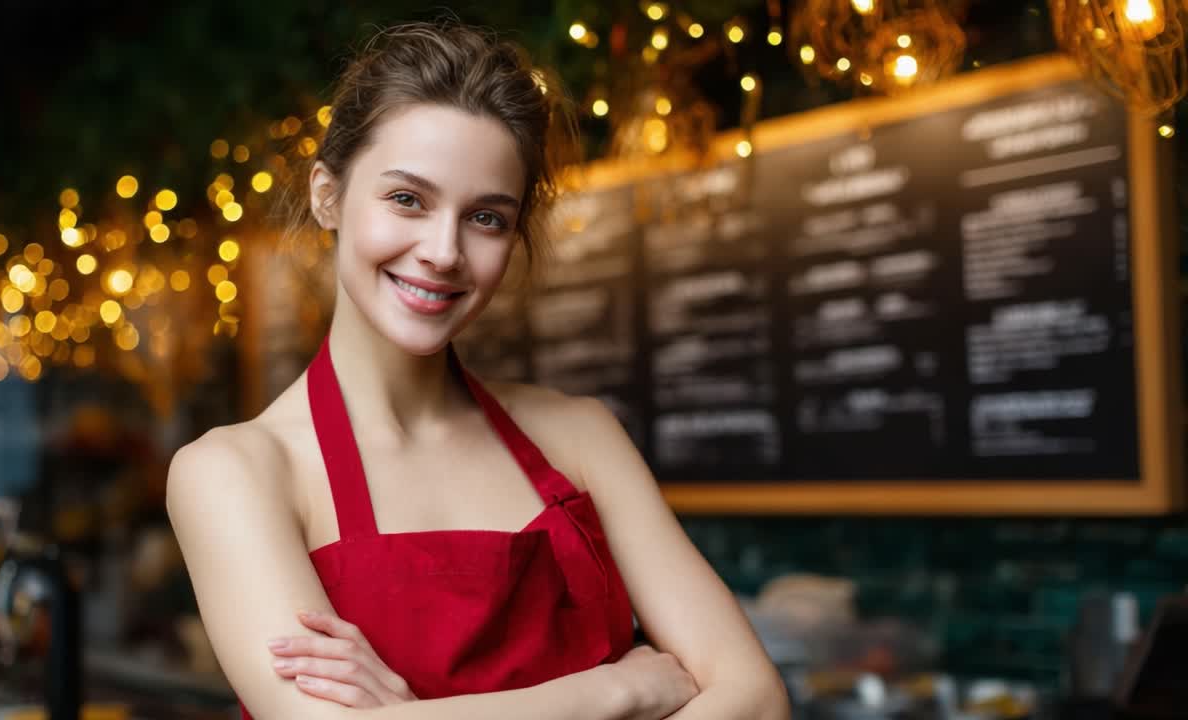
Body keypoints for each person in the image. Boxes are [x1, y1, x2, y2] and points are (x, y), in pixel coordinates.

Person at [166, 20, 789, 720]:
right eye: (407, 199)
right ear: (327, 195)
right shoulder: (232, 471)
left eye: (486, 218)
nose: (443, 251)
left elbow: (757, 700)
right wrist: (609, 693)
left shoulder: (580, 437)